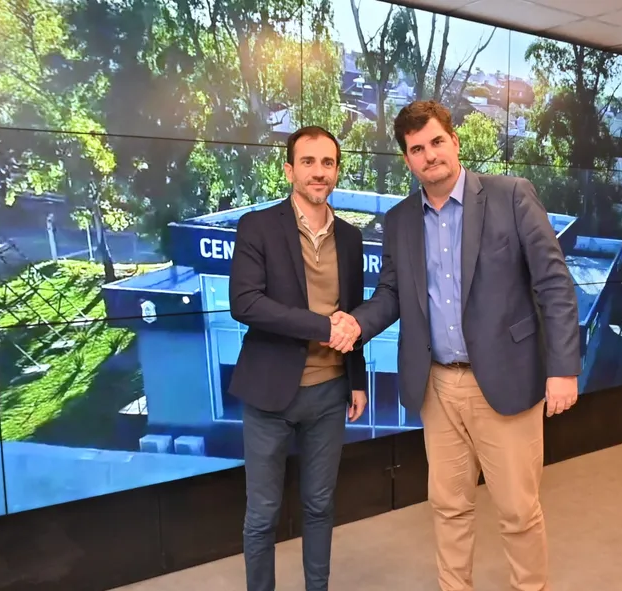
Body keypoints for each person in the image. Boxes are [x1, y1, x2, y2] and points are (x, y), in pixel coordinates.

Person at [331, 100, 581, 591]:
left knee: (518, 511)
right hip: (438, 387)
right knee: (448, 507)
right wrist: (356, 325)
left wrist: (563, 368)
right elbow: (391, 294)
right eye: (416, 149)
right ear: (407, 159)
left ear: (455, 141)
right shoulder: (400, 220)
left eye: (436, 142)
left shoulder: (512, 196)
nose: (429, 155)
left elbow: (554, 283)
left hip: (506, 381)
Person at [227, 125, 368, 591]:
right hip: (270, 394)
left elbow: (351, 315)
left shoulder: (350, 238)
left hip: (330, 394)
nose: (318, 171)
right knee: (262, 514)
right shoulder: (258, 226)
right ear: (290, 170)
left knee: (320, 506)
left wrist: (357, 379)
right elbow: (245, 303)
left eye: (327, 162)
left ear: (337, 171)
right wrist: (321, 327)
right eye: (308, 162)